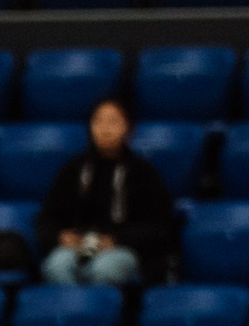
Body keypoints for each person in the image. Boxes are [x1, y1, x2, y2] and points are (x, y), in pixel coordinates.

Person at [38, 97, 175, 289]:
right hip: (79, 246)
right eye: (98, 121)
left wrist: (116, 240)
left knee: (104, 269)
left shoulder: (143, 172)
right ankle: (73, 313)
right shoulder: (73, 169)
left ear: (128, 128)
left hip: (124, 248)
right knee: (56, 266)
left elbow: (158, 226)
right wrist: (60, 236)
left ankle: (101, 315)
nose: (105, 128)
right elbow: (48, 217)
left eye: (113, 121)